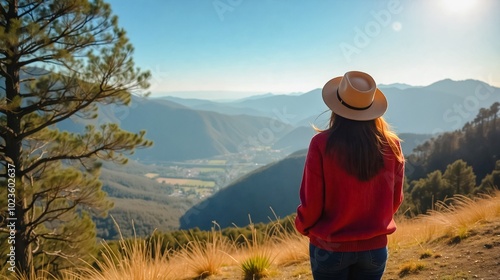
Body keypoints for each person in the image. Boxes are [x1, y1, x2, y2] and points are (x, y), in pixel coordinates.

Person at [295, 71, 405, 280]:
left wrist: (303, 226)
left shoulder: (321, 144)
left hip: (330, 249)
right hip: (375, 249)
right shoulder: (392, 145)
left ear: (336, 106)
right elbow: (395, 199)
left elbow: (312, 203)